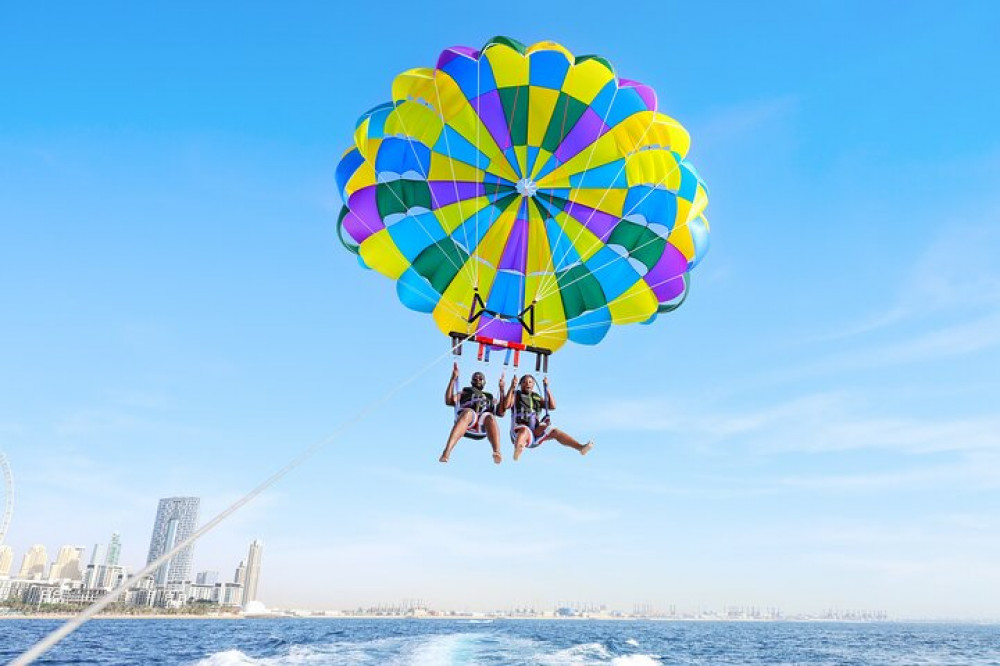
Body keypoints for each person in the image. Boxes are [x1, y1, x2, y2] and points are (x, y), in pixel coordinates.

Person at [503, 374, 593, 461]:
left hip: (535, 431)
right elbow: (506, 405)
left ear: (533, 385)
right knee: (524, 430)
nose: (527, 384)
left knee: (554, 431)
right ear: (520, 384)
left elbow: (552, 406)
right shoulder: (516, 394)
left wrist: (547, 388)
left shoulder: (536, 397)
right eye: (524, 382)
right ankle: (518, 448)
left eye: (530, 382)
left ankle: (580, 448)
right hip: (519, 430)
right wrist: (512, 387)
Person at [440, 363, 505, 464]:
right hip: (468, 420)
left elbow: (501, 413)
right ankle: (447, 450)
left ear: (484, 382)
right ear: (471, 381)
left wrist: (502, 390)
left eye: (480, 379)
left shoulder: (490, 397)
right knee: (468, 412)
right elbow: (449, 401)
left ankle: (497, 452)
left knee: (490, 416)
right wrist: (453, 379)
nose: (478, 380)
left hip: (483, 425)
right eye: (475, 379)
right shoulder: (464, 392)